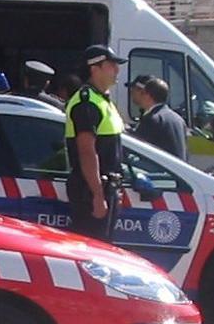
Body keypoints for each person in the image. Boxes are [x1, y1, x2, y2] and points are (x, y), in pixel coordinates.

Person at [65, 45, 127, 240]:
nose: (117, 70)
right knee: (93, 255)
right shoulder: (86, 103)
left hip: (106, 188)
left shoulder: (102, 100)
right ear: (94, 68)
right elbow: (87, 152)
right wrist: (98, 195)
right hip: (91, 191)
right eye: (111, 65)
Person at [127, 75, 188, 160]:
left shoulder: (152, 120)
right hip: (177, 171)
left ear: (147, 95)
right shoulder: (178, 119)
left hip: (159, 171)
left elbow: (139, 150)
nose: (131, 93)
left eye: (143, 92)